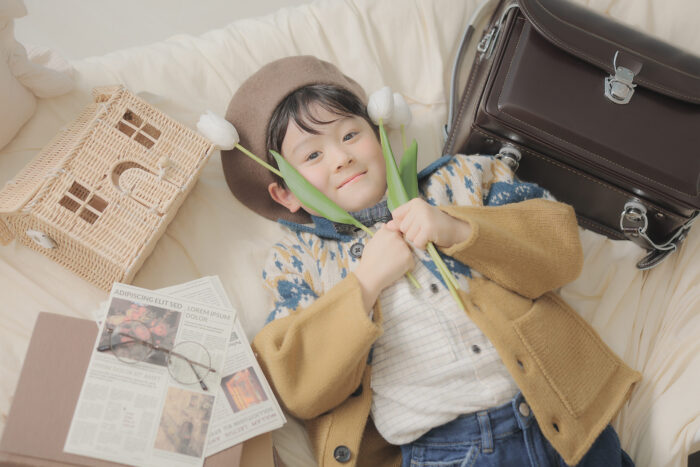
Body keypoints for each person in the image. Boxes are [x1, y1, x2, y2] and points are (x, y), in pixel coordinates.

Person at [219, 56, 641, 467]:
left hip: (561, 418)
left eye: (350, 135)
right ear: (285, 193)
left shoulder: (462, 180)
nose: (341, 157)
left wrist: (456, 228)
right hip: (445, 451)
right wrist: (365, 283)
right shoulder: (297, 264)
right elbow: (298, 386)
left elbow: (560, 251)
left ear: (378, 132)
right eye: (312, 156)